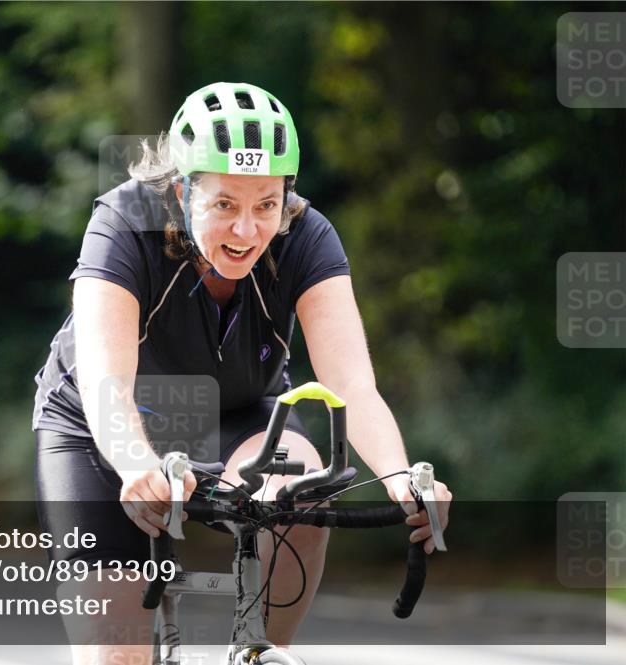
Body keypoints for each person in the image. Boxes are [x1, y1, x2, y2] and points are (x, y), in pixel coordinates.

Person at [33, 82, 452, 664]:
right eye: (225, 205)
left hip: (237, 413)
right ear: (182, 191)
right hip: (100, 426)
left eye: (266, 205)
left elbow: (352, 385)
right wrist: (135, 464)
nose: (247, 231)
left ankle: (260, 652)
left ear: (287, 197)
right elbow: (108, 385)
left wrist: (401, 476)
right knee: (115, 652)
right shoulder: (124, 222)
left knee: (302, 496)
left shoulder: (306, 235)